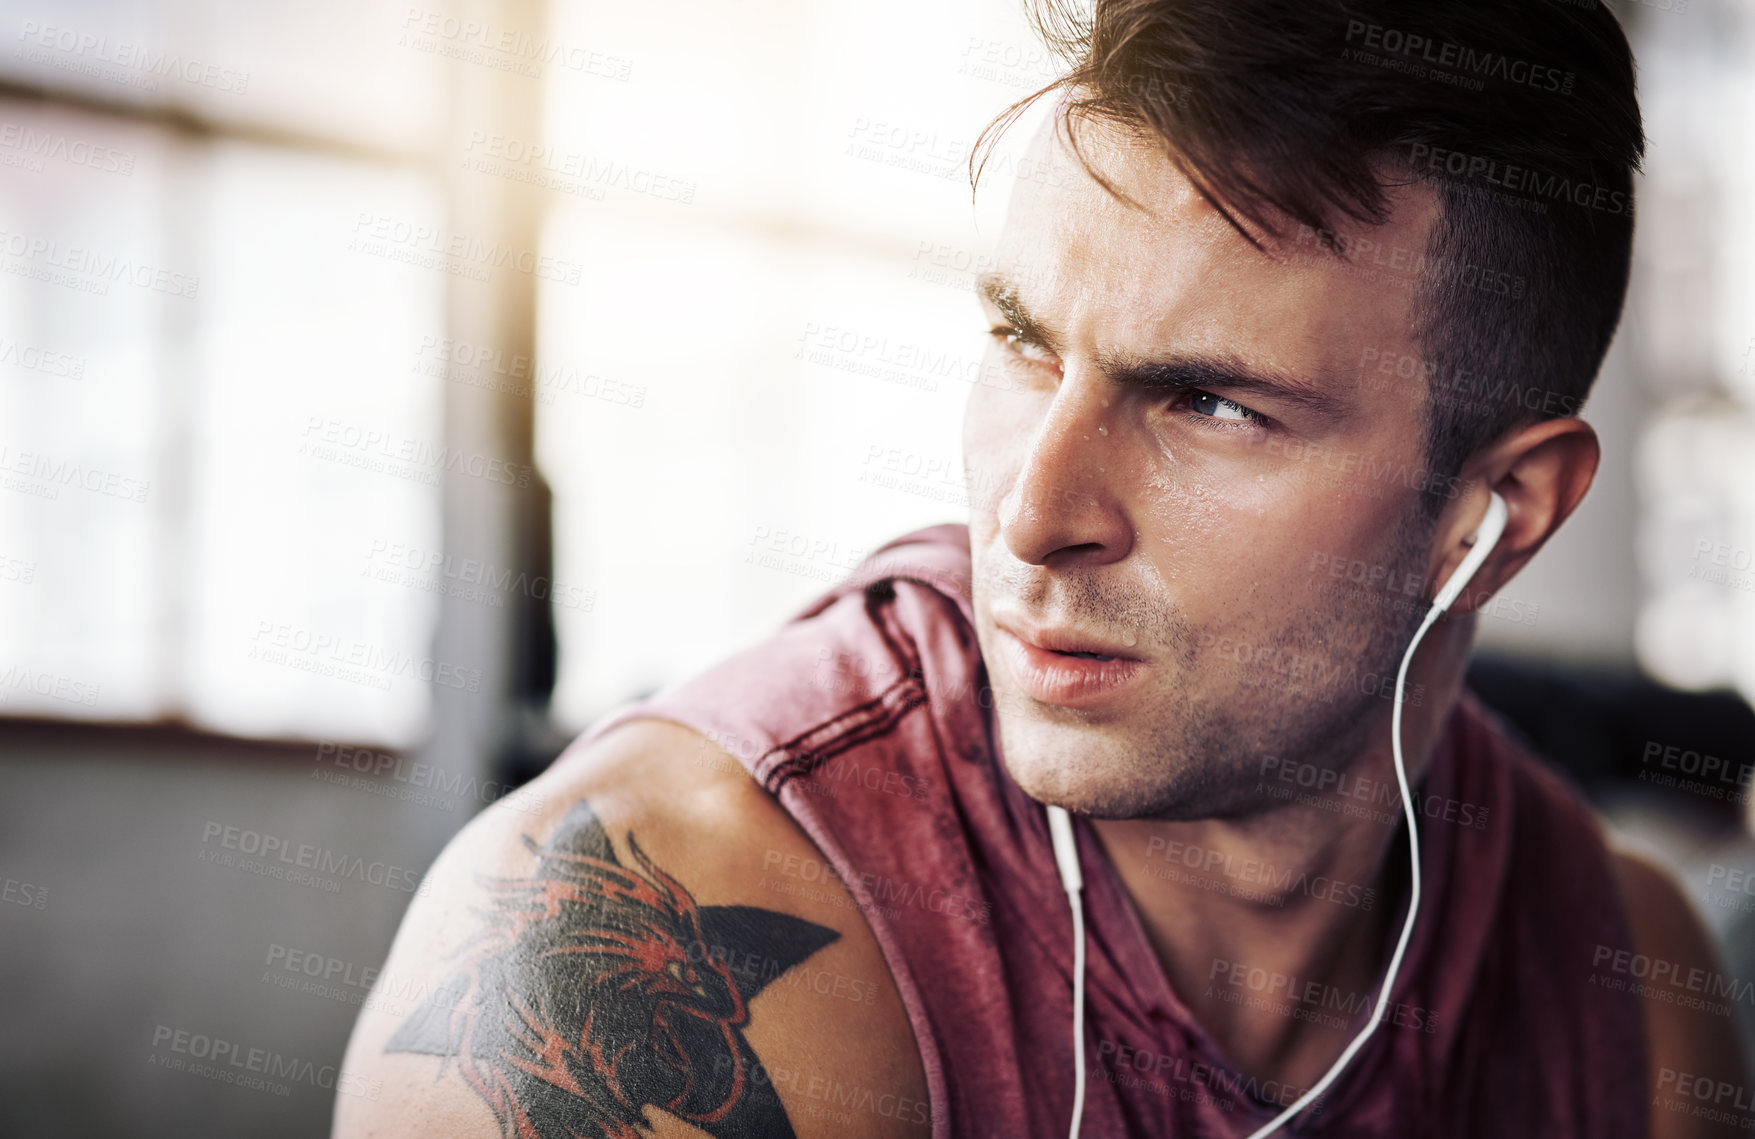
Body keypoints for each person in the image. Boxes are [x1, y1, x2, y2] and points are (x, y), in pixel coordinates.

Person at [334, 1, 1749, 1135]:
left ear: (1498, 512)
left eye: (1209, 403)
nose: (1031, 514)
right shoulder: (652, 929)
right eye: (1025, 344)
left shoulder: (1630, 1004)